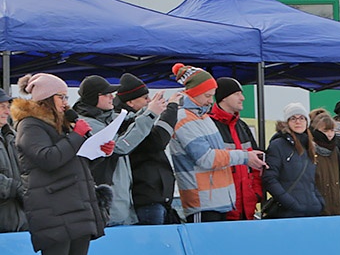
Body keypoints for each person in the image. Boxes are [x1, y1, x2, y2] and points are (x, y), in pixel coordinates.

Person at [12, 73, 115, 255]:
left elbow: (70, 158)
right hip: (52, 208)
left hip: (76, 205)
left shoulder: (63, 124)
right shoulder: (29, 125)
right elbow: (49, 158)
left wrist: (96, 150)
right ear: (46, 99)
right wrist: (76, 136)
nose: (65, 103)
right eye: (61, 97)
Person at [168, 63, 267, 222]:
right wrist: (244, 157)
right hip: (202, 201)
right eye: (207, 96)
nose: (210, 101)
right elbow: (206, 158)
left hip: (221, 200)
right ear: (194, 93)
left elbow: (221, 154)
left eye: (212, 95)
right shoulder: (184, 118)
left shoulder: (203, 117)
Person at [73, 75, 166, 226]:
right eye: (106, 94)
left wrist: (149, 109)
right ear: (93, 98)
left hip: (122, 205)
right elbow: (120, 146)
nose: (112, 97)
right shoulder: (87, 124)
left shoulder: (110, 118)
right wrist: (151, 114)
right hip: (109, 209)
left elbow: (129, 122)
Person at [114, 73, 181, 225]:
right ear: (130, 102)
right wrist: (171, 108)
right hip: (145, 197)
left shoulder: (136, 119)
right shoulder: (124, 122)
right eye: (145, 98)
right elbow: (158, 141)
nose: (149, 101)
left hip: (156, 196)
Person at [210, 77, 264, 221]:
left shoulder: (242, 126)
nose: (243, 98)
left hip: (247, 206)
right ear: (224, 98)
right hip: (222, 208)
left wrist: (256, 193)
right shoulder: (209, 125)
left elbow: (257, 163)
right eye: (237, 94)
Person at [262, 103, 324, 218]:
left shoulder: (309, 146)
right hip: (288, 213)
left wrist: (318, 202)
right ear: (287, 122)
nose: (298, 121)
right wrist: (291, 203)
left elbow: (310, 181)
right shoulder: (278, 145)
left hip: (311, 211)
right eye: (293, 118)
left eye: (301, 118)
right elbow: (269, 178)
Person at [309, 112, 340, 216]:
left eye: (332, 130)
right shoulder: (309, 151)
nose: (330, 134)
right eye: (325, 131)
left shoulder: (336, 150)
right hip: (317, 207)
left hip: (336, 205)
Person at [0, 88, 28, 233]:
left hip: (20, 220)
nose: (7, 111)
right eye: (1, 107)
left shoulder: (14, 136)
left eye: (7, 106)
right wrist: (15, 188)